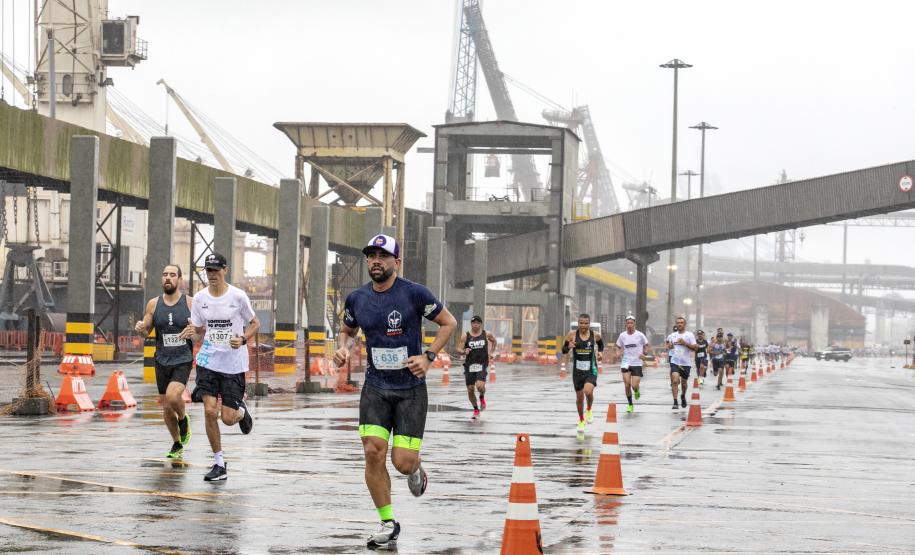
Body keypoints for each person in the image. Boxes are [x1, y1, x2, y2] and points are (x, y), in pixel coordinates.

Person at [333, 234, 457, 549]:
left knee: (402, 462)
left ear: (396, 262)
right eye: (371, 255)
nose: (376, 261)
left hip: (410, 390)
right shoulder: (357, 299)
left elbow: (449, 323)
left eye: (383, 256)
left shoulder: (414, 294)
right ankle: (388, 522)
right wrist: (342, 348)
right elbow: (346, 330)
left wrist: (429, 357)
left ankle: (416, 470)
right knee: (373, 451)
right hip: (375, 386)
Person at [180, 253, 259, 482]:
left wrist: (243, 338)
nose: (212, 275)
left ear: (225, 270)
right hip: (208, 361)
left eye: (216, 270)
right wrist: (190, 332)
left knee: (227, 418)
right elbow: (197, 329)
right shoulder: (200, 299)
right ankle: (218, 463)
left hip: (233, 363)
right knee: (209, 411)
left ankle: (241, 411)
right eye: (208, 271)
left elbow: (255, 323)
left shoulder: (238, 296)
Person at [135, 264, 194, 459]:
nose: (168, 278)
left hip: (182, 358)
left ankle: (183, 419)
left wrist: (196, 330)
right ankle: (177, 443)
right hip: (161, 360)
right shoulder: (153, 304)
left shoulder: (190, 303)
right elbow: (146, 331)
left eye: (172, 275)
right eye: (165, 274)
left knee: (173, 396)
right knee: (167, 409)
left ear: (180, 279)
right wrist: (140, 328)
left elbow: (202, 329)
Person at [562, 314, 604, 432]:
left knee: (588, 391)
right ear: (578, 323)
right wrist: (568, 347)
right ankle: (581, 420)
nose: (583, 325)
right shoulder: (571, 335)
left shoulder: (595, 335)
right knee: (579, 398)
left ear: (589, 324)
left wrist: (600, 353)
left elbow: (601, 345)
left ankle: (589, 409)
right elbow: (563, 350)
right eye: (581, 323)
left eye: (586, 323)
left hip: (591, 370)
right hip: (577, 372)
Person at [614, 315, 652, 413]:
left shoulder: (640, 335)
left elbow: (647, 345)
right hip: (626, 362)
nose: (629, 325)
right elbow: (617, 346)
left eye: (631, 323)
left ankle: (636, 390)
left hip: (637, 363)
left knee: (634, 385)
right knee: (627, 384)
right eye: (628, 323)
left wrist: (644, 353)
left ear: (634, 324)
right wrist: (618, 353)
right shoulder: (622, 335)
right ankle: (630, 404)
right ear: (625, 324)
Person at [462, 315, 495, 419]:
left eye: (477, 323)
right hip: (469, 365)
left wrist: (491, 352)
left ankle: (482, 396)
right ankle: (476, 409)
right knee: (470, 389)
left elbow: (494, 341)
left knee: (480, 386)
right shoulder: (465, 336)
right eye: (473, 323)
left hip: (481, 364)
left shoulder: (486, 334)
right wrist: (464, 351)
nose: (475, 325)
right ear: (471, 324)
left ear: (480, 324)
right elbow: (458, 348)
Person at [665, 316, 697, 409]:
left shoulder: (689, 335)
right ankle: (675, 402)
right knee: (675, 381)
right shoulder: (672, 335)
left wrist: (685, 343)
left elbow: (695, 348)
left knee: (683, 383)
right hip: (675, 361)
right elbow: (668, 345)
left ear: (685, 324)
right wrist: (669, 346)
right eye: (678, 323)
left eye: (681, 323)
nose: (679, 324)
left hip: (686, 363)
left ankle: (683, 395)